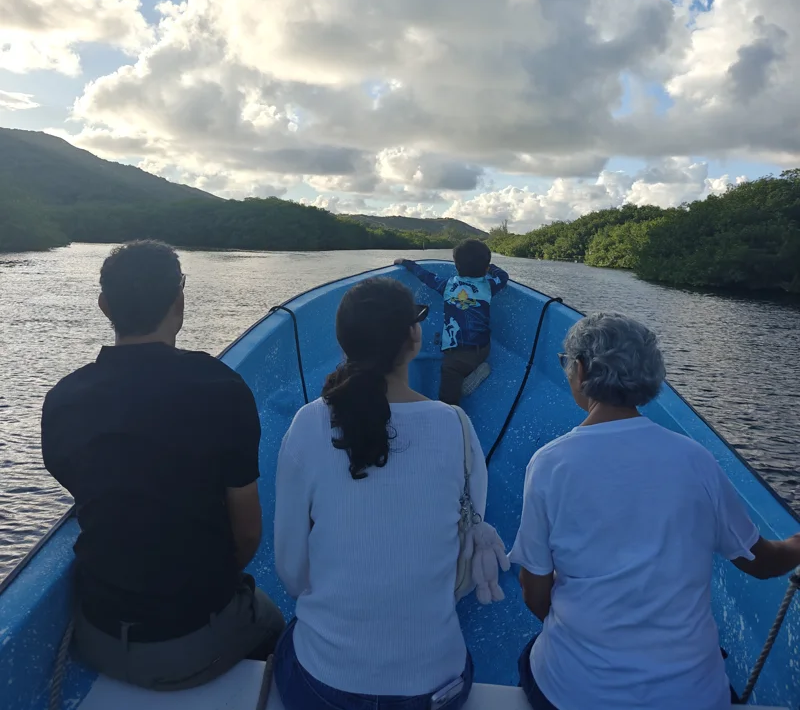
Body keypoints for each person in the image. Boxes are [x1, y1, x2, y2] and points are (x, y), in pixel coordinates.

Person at [509, 312, 800, 710]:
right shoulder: (694, 459)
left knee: (532, 656)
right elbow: (762, 561)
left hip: (577, 692)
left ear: (579, 370)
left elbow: (534, 589)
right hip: (692, 695)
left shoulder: (550, 463)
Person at [41, 240, 284, 691]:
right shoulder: (221, 389)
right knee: (276, 624)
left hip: (97, 635)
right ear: (180, 300)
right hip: (193, 642)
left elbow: (84, 487)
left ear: (103, 305)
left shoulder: (63, 399)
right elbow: (247, 534)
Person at [273, 277, 486, 710]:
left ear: (344, 340)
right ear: (413, 336)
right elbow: (464, 549)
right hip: (435, 691)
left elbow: (292, 573)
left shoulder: (309, 424)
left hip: (324, 687)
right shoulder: (456, 427)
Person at [394, 239, 509, 405]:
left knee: (448, 377)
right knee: (464, 355)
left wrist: (406, 262)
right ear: (485, 268)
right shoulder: (489, 286)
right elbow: (503, 277)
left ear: (456, 266)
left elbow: (424, 275)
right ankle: (476, 368)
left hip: (456, 357)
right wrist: (491, 268)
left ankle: (452, 404)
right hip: (483, 348)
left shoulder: (447, 285)